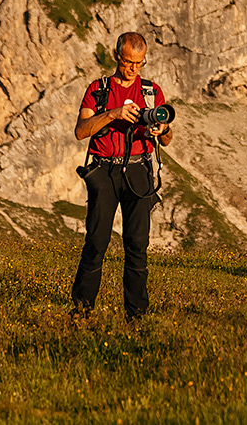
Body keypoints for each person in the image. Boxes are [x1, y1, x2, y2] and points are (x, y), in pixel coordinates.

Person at [71, 31, 173, 320]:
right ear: (117, 57)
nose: (133, 69)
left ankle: (136, 315)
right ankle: (81, 312)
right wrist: (114, 114)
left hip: (139, 169)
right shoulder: (98, 89)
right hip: (103, 169)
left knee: (138, 246)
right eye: (128, 62)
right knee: (96, 242)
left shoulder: (152, 92)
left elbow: (167, 140)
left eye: (139, 63)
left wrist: (161, 130)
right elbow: (81, 131)